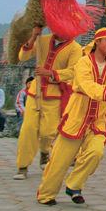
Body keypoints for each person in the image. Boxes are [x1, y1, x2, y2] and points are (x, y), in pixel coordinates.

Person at [36, 27, 106, 205]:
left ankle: (74, 184)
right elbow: (85, 84)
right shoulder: (83, 62)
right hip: (78, 114)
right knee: (60, 160)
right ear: (97, 42)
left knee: (95, 152)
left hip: (98, 117)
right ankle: (46, 194)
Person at [14, 26, 82, 180]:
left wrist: (50, 73)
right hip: (34, 92)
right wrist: (33, 38)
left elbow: (73, 71)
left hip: (54, 95)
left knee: (47, 132)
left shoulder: (75, 48)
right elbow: (23, 56)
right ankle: (22, 166)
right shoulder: (42, 40)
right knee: (28, 129)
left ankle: (45, 152)